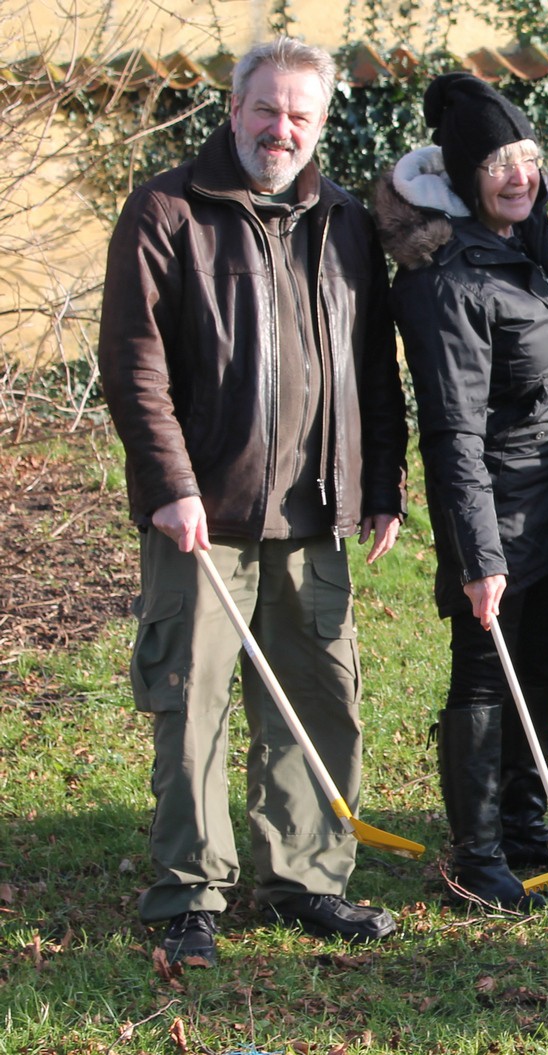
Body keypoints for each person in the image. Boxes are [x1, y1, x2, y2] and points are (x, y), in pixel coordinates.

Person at [98, 38, 408, 966]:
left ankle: (304, 878)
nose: (282, 129)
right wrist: (170, 485)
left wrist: (383, 482)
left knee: (319, 699)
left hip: (315, 513)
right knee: (190, 701)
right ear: (233, 110)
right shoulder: (165, 210)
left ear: (320, 124)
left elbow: (371, 369)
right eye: (266, 110)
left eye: (300, 116)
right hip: (205, 515)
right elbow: (134, 361)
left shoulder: (345, 220)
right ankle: (189, 890)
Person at [375, 73, 548, 910]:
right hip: (495, 510)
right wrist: (478, 554)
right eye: (501, 164)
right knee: (484, 674)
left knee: (539, 664)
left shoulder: (529, 247)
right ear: (464, 175)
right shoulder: (447, 277)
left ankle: (523, 822)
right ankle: (475, 859)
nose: (521, 177)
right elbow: (451, 431)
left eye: (531, 159)